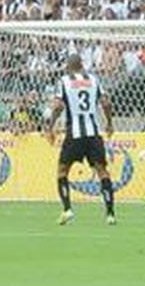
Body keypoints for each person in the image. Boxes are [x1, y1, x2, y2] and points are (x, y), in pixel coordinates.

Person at [45, 54, 116, 226]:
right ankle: (110, 214)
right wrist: (109, 123)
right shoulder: (93, 79)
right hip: (93, 134)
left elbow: (58, 106)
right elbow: (106, 103)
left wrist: (50, 126)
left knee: (62, 171)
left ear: (68, 67)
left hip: (74, 134)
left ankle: (67, 210)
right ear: (82, 65)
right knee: (102, 171)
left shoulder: (64, 81)